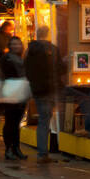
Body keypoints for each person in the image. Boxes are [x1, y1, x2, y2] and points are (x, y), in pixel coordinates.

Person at [24, 25, 63, 163]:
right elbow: (59, 68)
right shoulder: (52, 49)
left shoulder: (30, 50)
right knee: (45, 120)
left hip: (37, 89)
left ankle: (42, 152)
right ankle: (42, 153)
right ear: (48, 34)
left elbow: (27, 69)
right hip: (50, 89)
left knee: (43, 120)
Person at [0, 35, 28, 161]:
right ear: (10, 46)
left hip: (21, 91)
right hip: (10, 92)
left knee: (17, 122)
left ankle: (16, 148)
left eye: (18, 44)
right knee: (10, 122)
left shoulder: (21, 59)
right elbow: (3, 76)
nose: (16, 46)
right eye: (14, 44)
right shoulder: (7, 58)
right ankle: (8, 149)